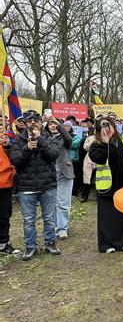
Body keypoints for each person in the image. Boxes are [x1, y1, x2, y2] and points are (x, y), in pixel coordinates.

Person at [10, 110, 61, 260]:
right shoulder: (19, 140)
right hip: (27, 188)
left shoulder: (48, 137)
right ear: (25, 124)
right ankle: (31, 247)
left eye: (36, 121)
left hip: (48, 185)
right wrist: (27, 149)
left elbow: (54, 155)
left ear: (40, 122)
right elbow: (15, 161)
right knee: (29, 220)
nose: (33, 123)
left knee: (49, 218)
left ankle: (50, 243)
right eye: (29, 121)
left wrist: (41, 141)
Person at [89, 116, 123, 253]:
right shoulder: (96, 144)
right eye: (102, 126)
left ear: (114, 126)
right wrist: (105, 143)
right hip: (107, 186)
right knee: (108, 216)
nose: (107, 129)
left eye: (109, 125)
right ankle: (109, 244)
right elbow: (98, 159)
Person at [45, 118, 75, 239]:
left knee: (63, 202)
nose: (52, 126)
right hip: (49, 175)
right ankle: (53, 227)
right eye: (50, 124)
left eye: (55, 124)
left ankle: (62, 228)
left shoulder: (64, 138)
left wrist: (59, 125)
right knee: (51, 203)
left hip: (64, 173)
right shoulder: (44, 138)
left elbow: (68, 139)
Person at [0, 121, 20, 255]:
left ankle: (3, 243)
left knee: (4, 216)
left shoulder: (7, 147)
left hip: (5, 187)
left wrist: (7, 149)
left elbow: (14, 163)